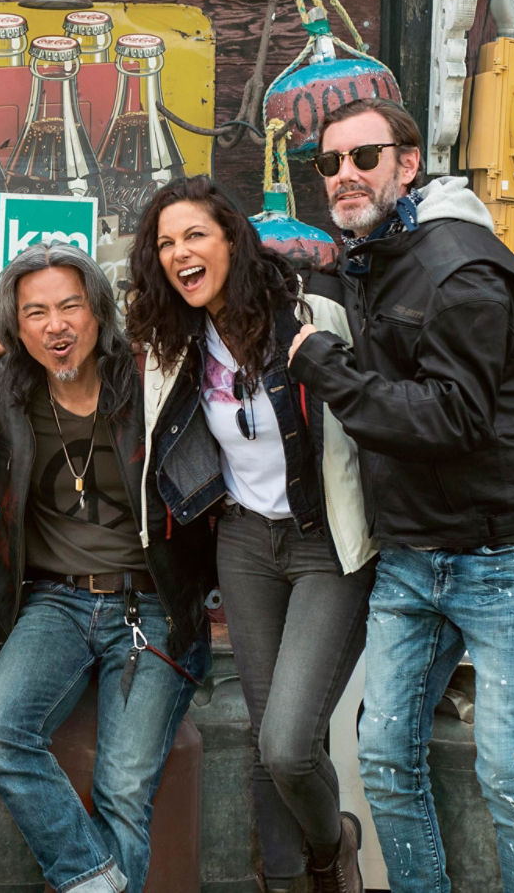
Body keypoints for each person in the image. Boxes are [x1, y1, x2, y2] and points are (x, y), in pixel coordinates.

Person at [288, 97, 514, 893]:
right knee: (383, 758)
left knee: (509, 772)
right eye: (329, 163)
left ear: (408, 163)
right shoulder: (370, 257)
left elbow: (450, 415)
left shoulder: (460, 263)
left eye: (364, 157)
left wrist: (324, 366)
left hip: (504, 555)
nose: (345, 175)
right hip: (413, 554)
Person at [125, 175, 378, 893]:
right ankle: (288, 878)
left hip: (327, 542)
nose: (180, 253)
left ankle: (334, 846)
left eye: (195, 235)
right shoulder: (172, 342)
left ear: (233, 239)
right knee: (270, 750)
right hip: (243, 544)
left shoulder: (315, 310)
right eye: (166, 243)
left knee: (288, 743)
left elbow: (388, 395)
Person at [0, 242, 213, 893]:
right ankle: (96, 882)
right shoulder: (3, 390)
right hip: (55, 603)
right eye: (36, 312)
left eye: (71, 306)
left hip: (152, 605)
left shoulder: (147, 379)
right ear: (14, 330)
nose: (56, 325)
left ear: (99, 313)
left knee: (123, 790)